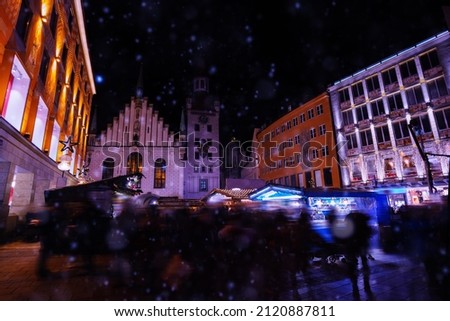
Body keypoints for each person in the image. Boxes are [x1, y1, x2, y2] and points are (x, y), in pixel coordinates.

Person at [343, 211, 373, 300]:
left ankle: (355, 286)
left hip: (352, 246)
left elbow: (344, 234)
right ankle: (366, 284)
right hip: (362, 244)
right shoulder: (363, 222)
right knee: (364, 263)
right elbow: (369, 232)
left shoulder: (348, 220)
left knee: (352, 264)